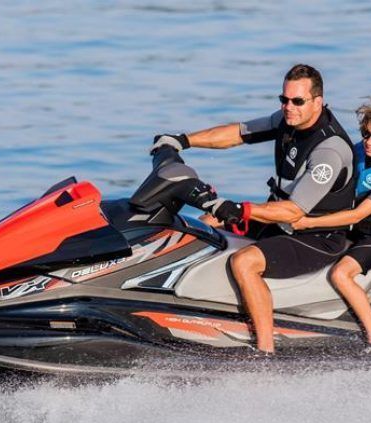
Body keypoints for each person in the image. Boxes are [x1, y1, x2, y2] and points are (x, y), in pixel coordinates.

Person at [150, 64, 356, 353]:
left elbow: (293, 212)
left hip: (316, 237)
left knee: (244, 262)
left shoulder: (329, 151)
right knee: (203, 224)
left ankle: (265, 350)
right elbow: (237, 133)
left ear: (317, 102)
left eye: (297, 101)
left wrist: (241, 209)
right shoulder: (288, 121)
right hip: (278, 223)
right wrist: (182, 141)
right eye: (284, 100)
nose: (289, 107)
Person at [291, 98, 371, 345]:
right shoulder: (359, 150)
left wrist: (307, 222)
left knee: (341, 274)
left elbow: (358, 214)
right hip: (354, 231)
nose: (369, 142)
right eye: (366, 134)